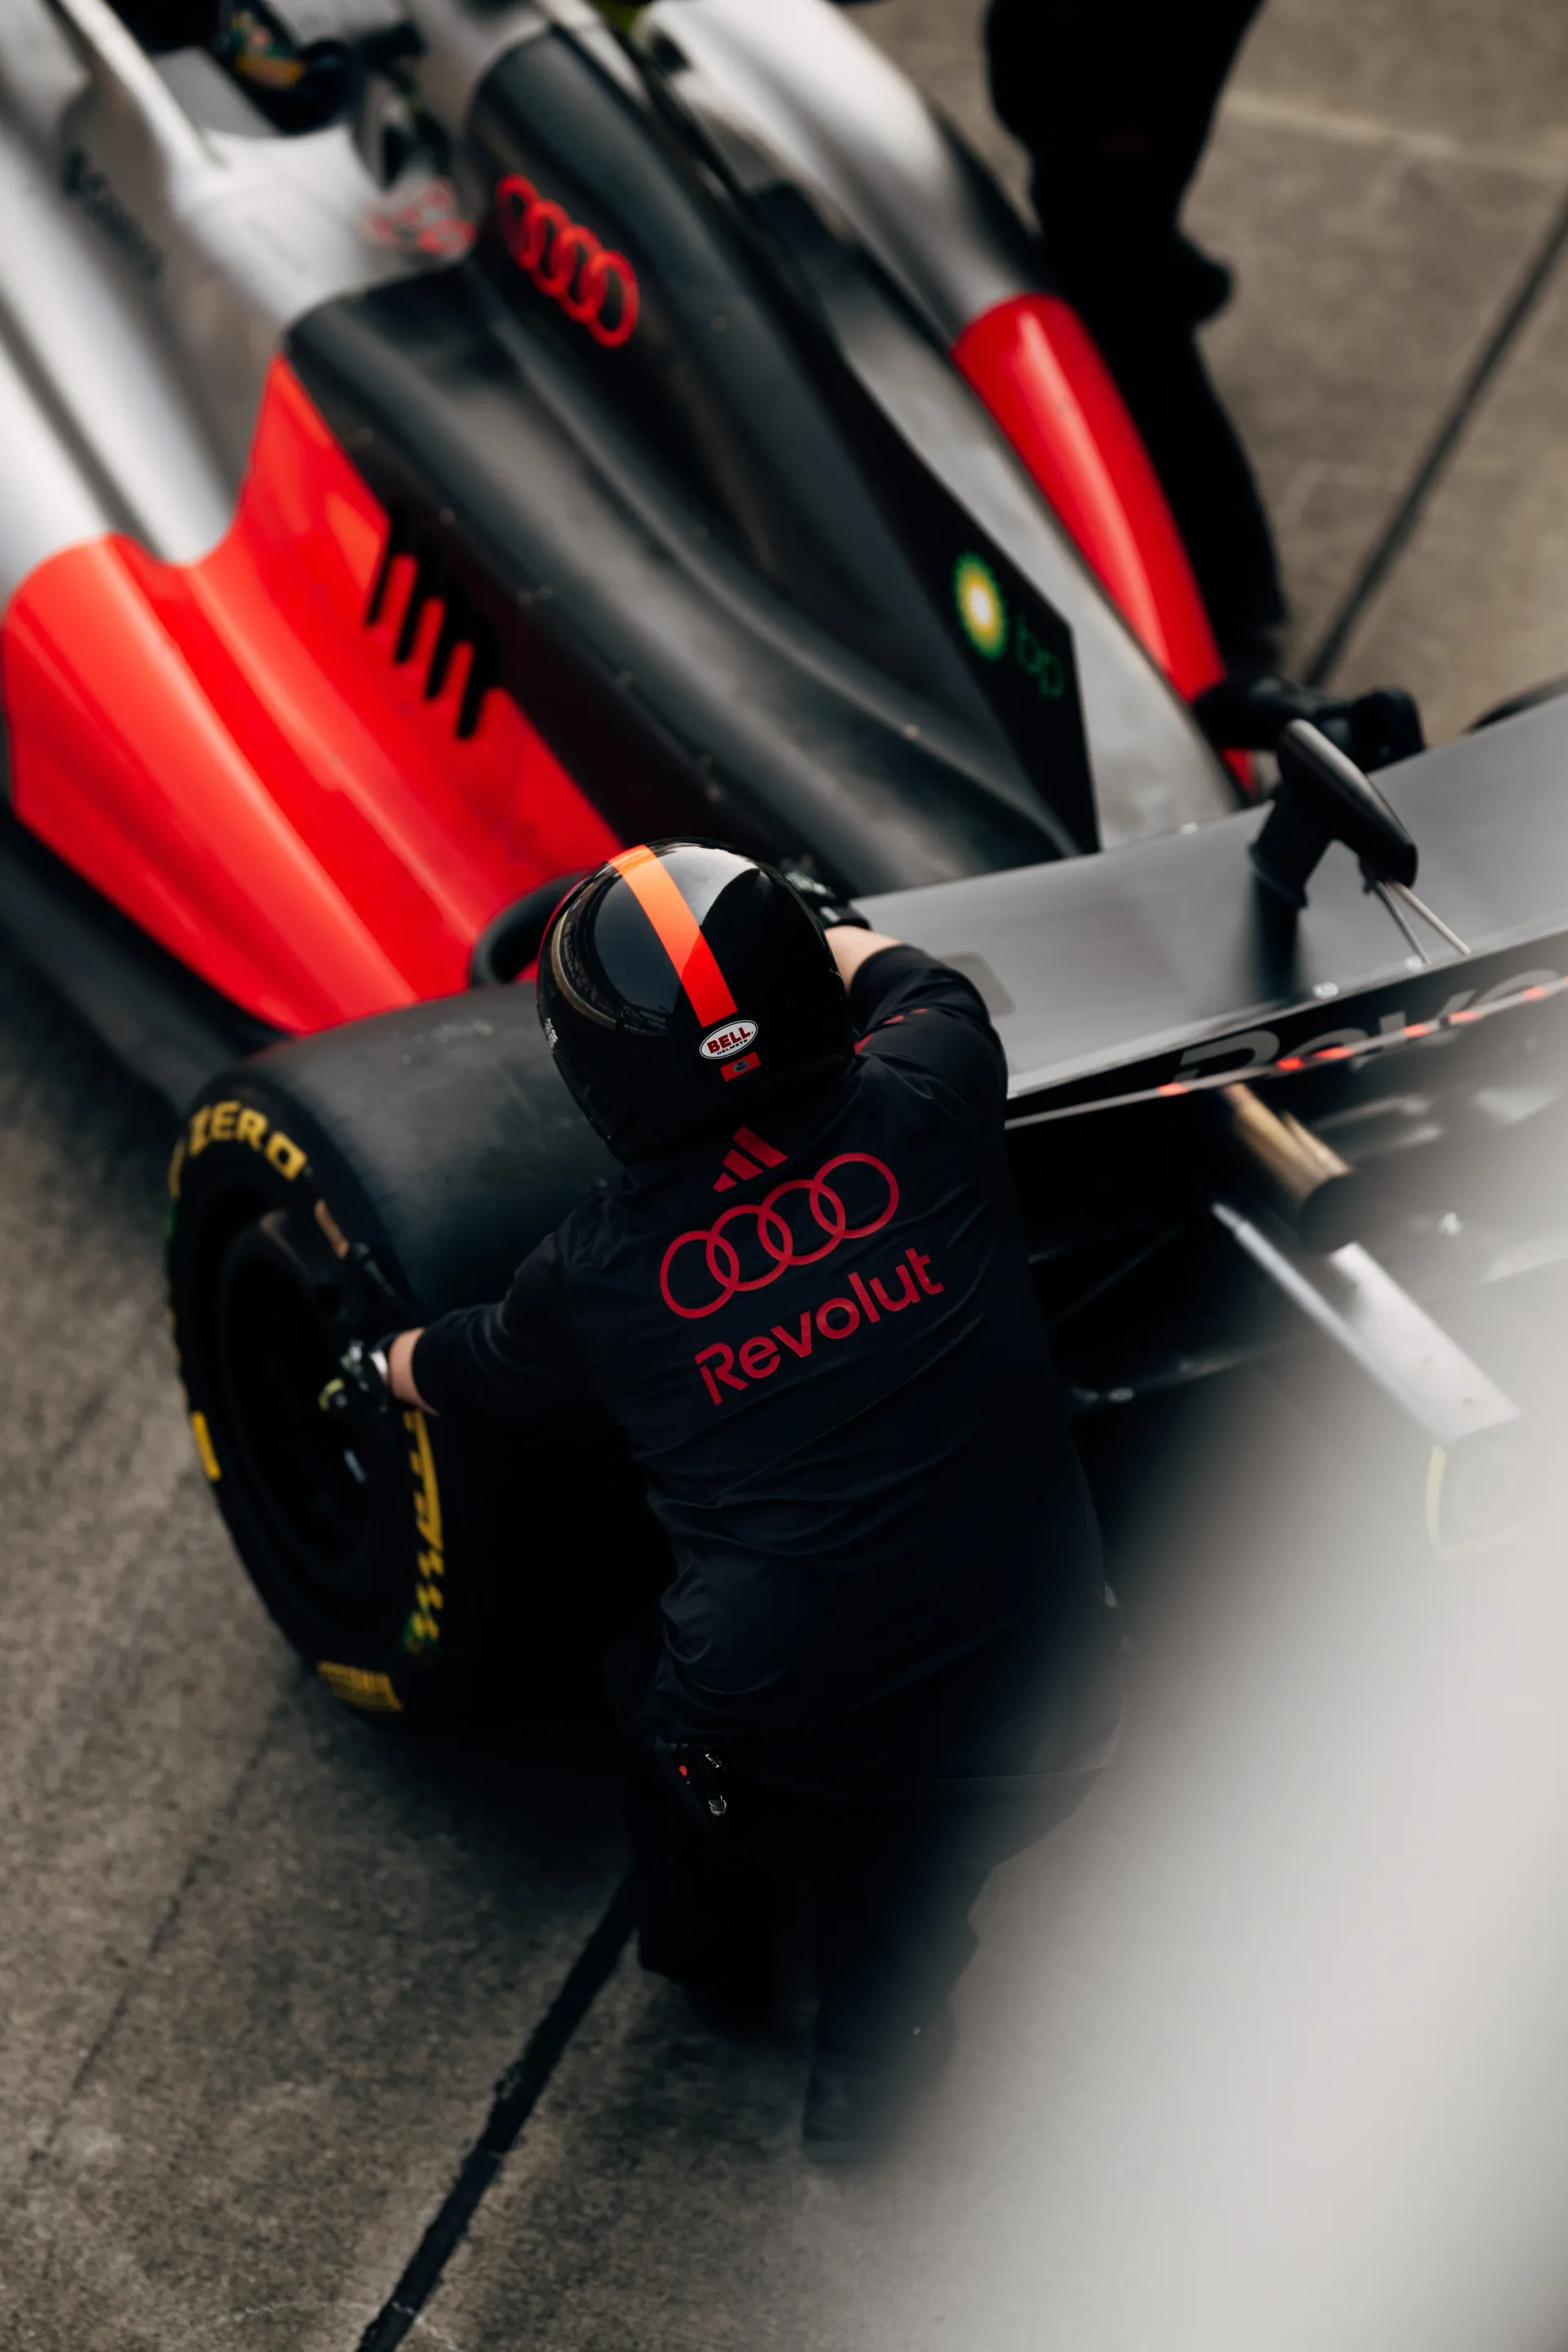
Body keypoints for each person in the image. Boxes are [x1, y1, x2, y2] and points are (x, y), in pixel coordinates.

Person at [384, 841, 1119, 2163]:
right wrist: (811, 927)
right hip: (1047, 1738)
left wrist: (379, 1365)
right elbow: (912, 974)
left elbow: (470, 1368)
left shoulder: (597, 1273)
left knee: (668, 1733)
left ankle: (708, 1958)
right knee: (916, 1902)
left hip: (765, 1767)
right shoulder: (938, 1084)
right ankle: (864, 2082)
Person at [986, 0, 1285, 675]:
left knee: (1113, 268)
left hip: (1136, 30)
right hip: (1113, 35)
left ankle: (1232, 594)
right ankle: (1155, 256)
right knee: (1026, 83)